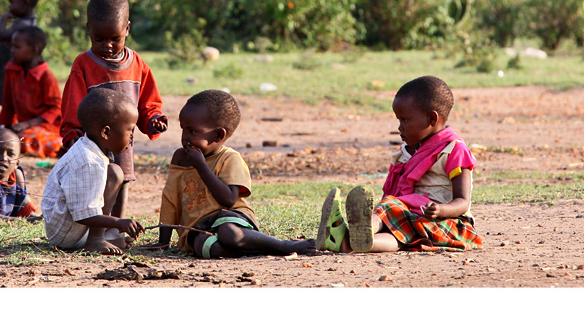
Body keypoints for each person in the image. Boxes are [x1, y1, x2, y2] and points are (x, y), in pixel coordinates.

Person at [315, 75, 483, 253]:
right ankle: (348, 243)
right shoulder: (407, 152)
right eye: (398, 120)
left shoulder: (454, 150)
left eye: (405, 120)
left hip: (450, 223)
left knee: (389, 208)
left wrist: (440, 209)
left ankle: (355, 231)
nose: (400, 127)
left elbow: (463, 202)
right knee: (400, 237)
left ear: (432, 119)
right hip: (414, 220)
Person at [142, 90, 316, 258]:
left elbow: (229, 200)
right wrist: (163, 241)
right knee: (202, 245)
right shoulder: (180, 158)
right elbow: (170, 198)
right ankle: (249, 250)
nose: (185, 137)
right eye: (183, 130)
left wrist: (201, 166)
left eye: (192, 131)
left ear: (218, 135)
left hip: (229, 217)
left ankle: (282, 246)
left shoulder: (229, 158)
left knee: (228, 233)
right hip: (197, 227)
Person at [59, 0, 167, 220]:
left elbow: (148, 101)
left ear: (127, 29)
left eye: (115, 39)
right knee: (96, 182)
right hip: (91, 142)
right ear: (88, 29)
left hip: (122, 141)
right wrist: (71, 132)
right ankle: (98, 227)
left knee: (123, 180)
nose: (107, 45)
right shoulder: (84, 64)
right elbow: (72, 103)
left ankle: (117, 226)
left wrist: (153, 119)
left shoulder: (137, 64)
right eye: (99, 39)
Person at [41, 87, 145, 254]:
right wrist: (118, 222)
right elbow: (83, 215)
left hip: (72, 227)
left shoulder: (92, 147)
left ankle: (102, 237)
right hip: (65, 235)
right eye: (129, 130)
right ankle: (95, 240)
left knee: (115, 172)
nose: (132, 136)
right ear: (106, 132)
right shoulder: (89, 162)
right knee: (114, 173)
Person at [0, 26, 63, 158]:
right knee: (1, 138)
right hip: (22, 127)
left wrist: (28, 124)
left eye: (17, 47)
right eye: (12, 46)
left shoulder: (46, 76)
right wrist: (4, 128)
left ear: (33, 50)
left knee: (27, 137)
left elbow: (56, 108)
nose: (12, 51)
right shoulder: (11, 71)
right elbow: (7, 104)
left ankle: (62, 146)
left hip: (46, 128)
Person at [0, 0, 41, 107]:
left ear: (25, 3)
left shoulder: (20, 25)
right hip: (17, 67)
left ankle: (6, 124)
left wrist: (4, 19)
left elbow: (0, 36)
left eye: (12, 2)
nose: (9, 7)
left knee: (8, 99)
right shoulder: (32, 22)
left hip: (10, 66)